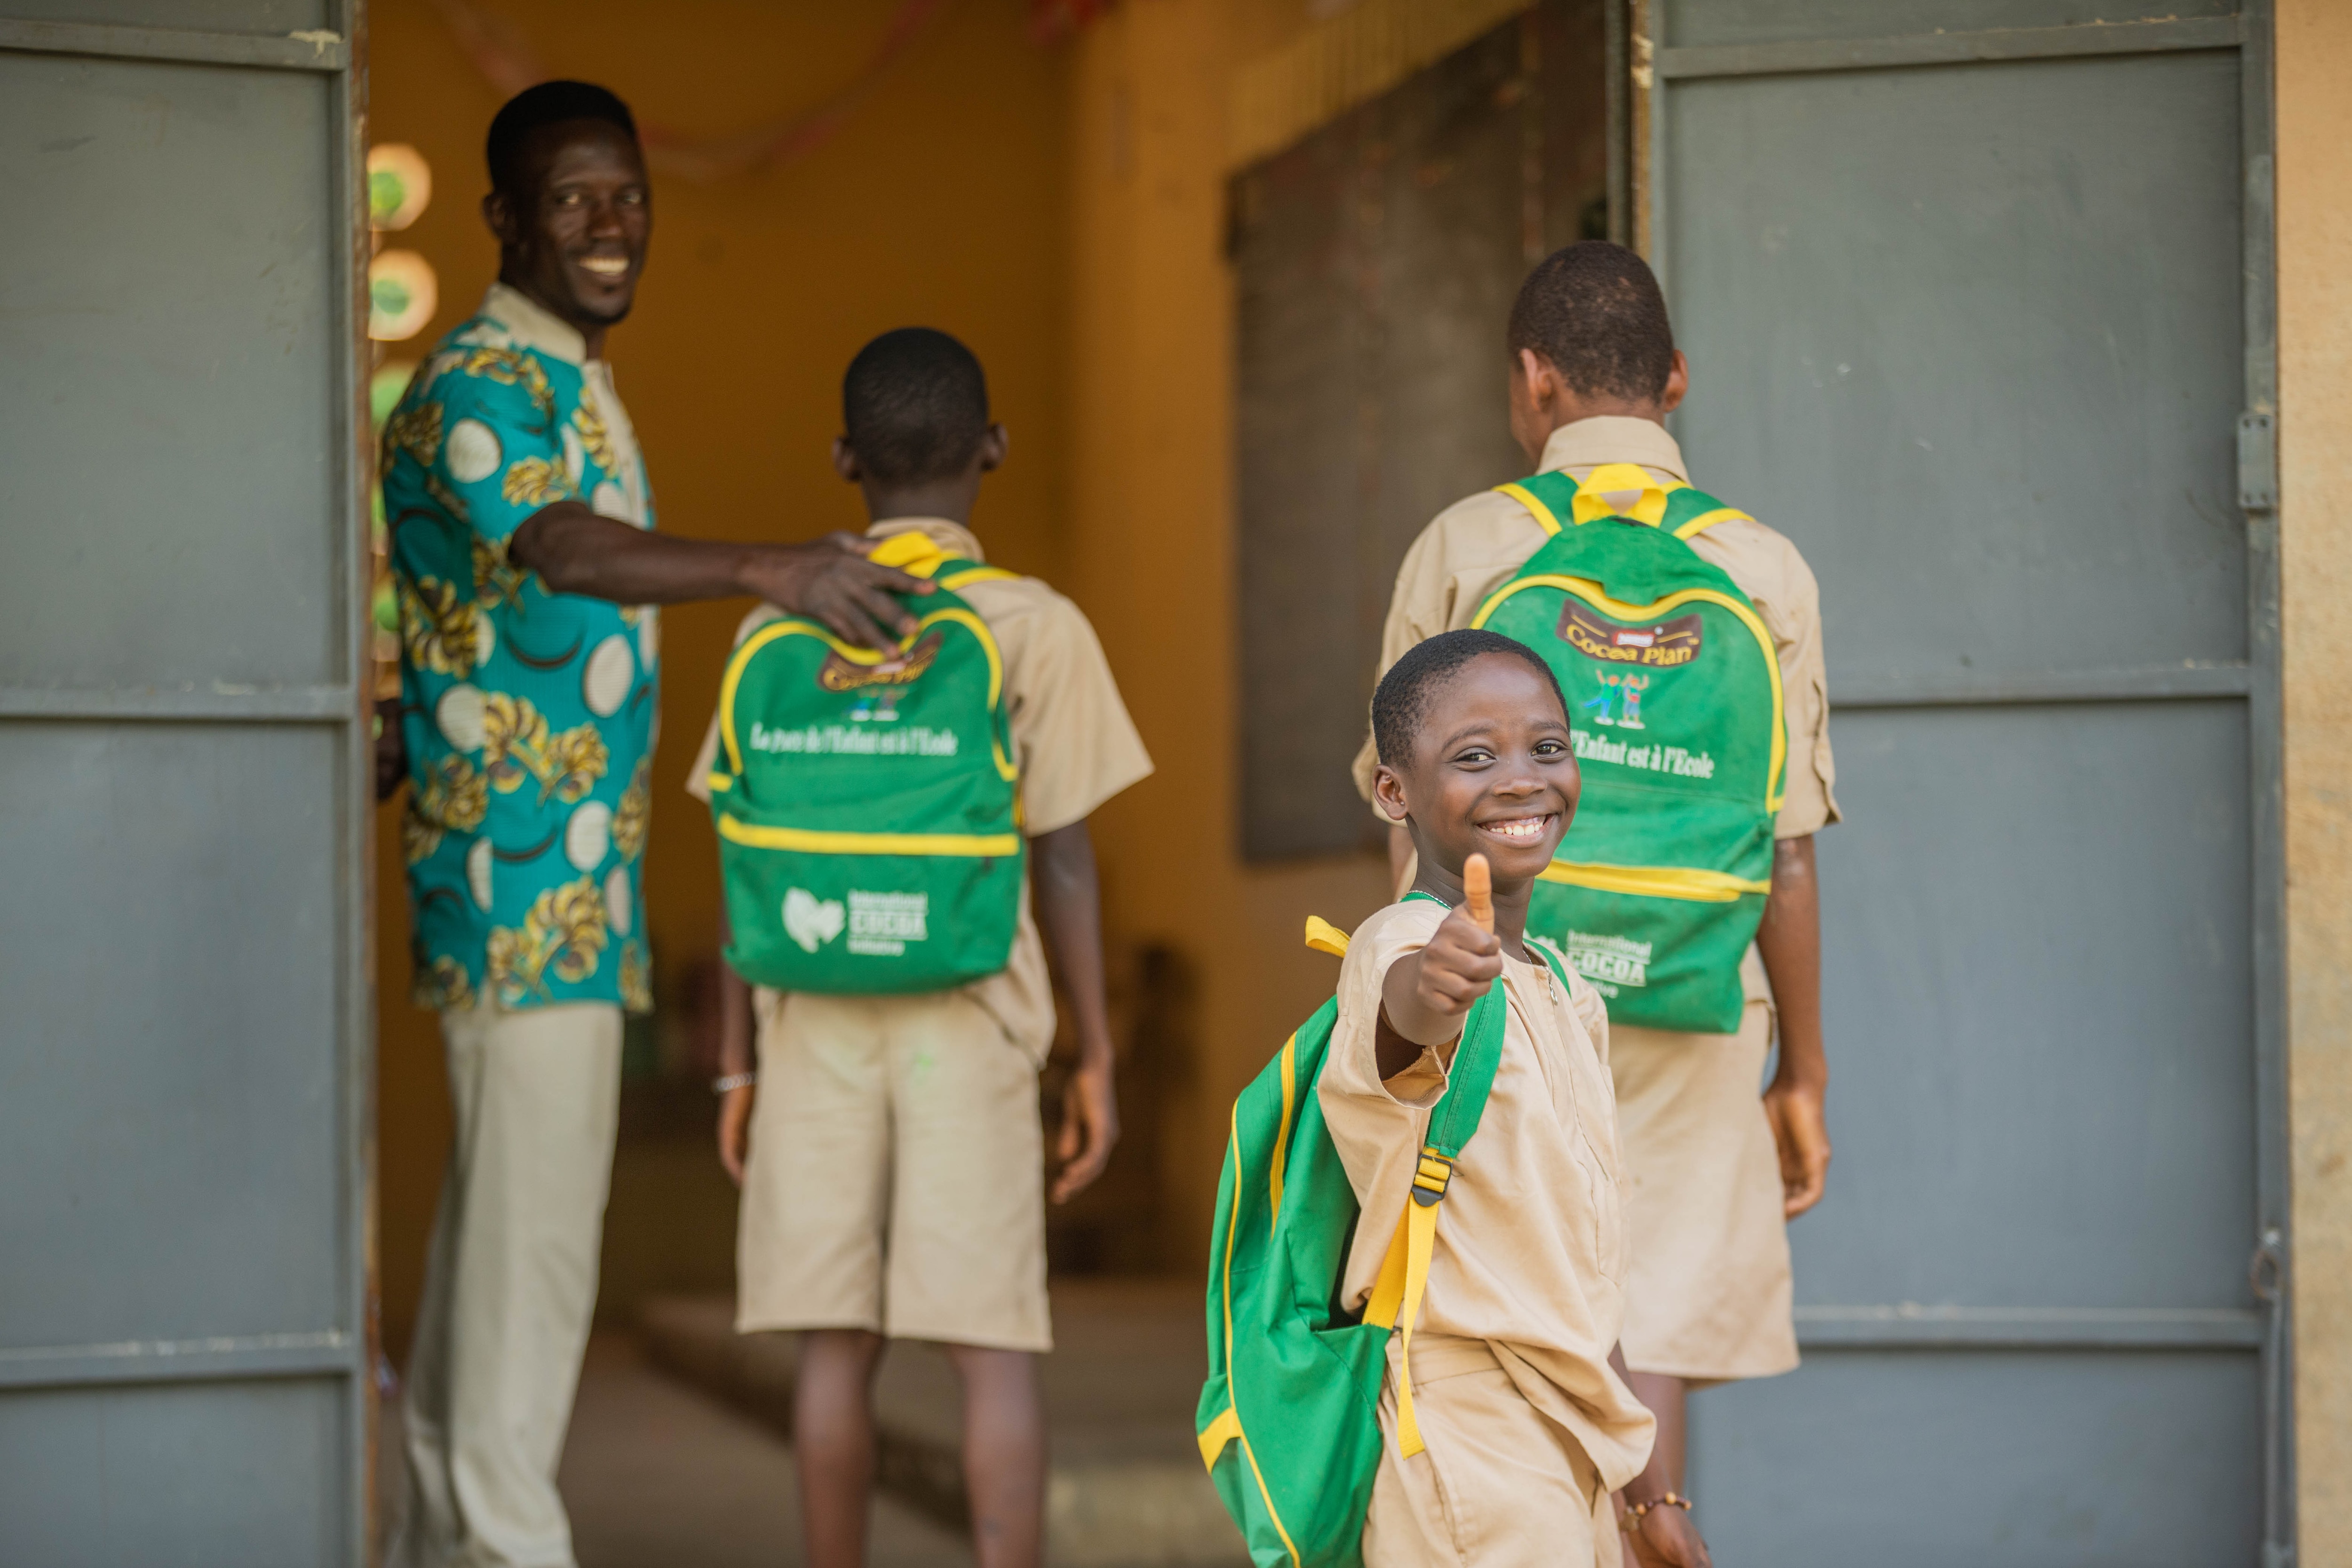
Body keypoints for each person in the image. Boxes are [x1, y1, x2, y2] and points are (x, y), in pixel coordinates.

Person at [380, 82, 933, 1568]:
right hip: (521, 894)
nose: (612, 223)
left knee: (490, 1288)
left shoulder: (572, 380)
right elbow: (558, 545)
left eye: (626, 194)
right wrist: (770, 565)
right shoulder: (485, 384)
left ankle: (439, 1543)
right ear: (504, 220)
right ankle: (505, 1547)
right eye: (572, 199)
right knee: (533, 1285)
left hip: (564, 897)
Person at [1350, 241, 1838, 1536]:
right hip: (1694, 988)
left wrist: (1395, 984)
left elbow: (1390, 798)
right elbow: (1789, 844)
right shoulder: (1767, 567)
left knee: (1493, 1282)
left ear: (1533, 381)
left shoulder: (1464, 542)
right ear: (1675, 380)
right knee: (1656, 1301)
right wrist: (1802, 1066)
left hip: (1490, 974)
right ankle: (1651, 1527)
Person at [686, 327, 1152, 1568]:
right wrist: (1097, 1053)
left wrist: (736, 1065)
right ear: (993, 449)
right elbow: (1062, 854)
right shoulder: (1030, 625)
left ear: (846, 459)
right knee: (990, 1348)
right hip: (972, 1022)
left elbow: (744, 852)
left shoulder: (769, 633)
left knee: (835, 1347)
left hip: (810, 1019)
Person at [1332, 629, 1707, 1568]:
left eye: (1548, 745)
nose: (1522, 776)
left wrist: (1647, 1489)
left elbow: (1578, 1271)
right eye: (1473, 755)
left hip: (1568, 1441)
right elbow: (1402, 1014)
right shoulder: (1397, 943)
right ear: (1394, 791)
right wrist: (1436, 980)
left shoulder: (1565, 988)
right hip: (1468, 1438)